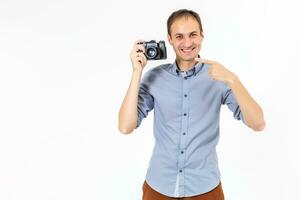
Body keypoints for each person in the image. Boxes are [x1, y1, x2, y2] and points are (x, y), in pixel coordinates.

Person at [118, 9, 266, 200]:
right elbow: (125, 126)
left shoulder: (219, 76)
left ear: (202, 36)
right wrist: (136, 72)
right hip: (159, 187)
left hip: (205, 189)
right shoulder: (155, 78)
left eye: (193, 35)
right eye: (179, 36)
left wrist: (233, 80)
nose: (187, 43)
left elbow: (258, 123)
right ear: (169, 39)